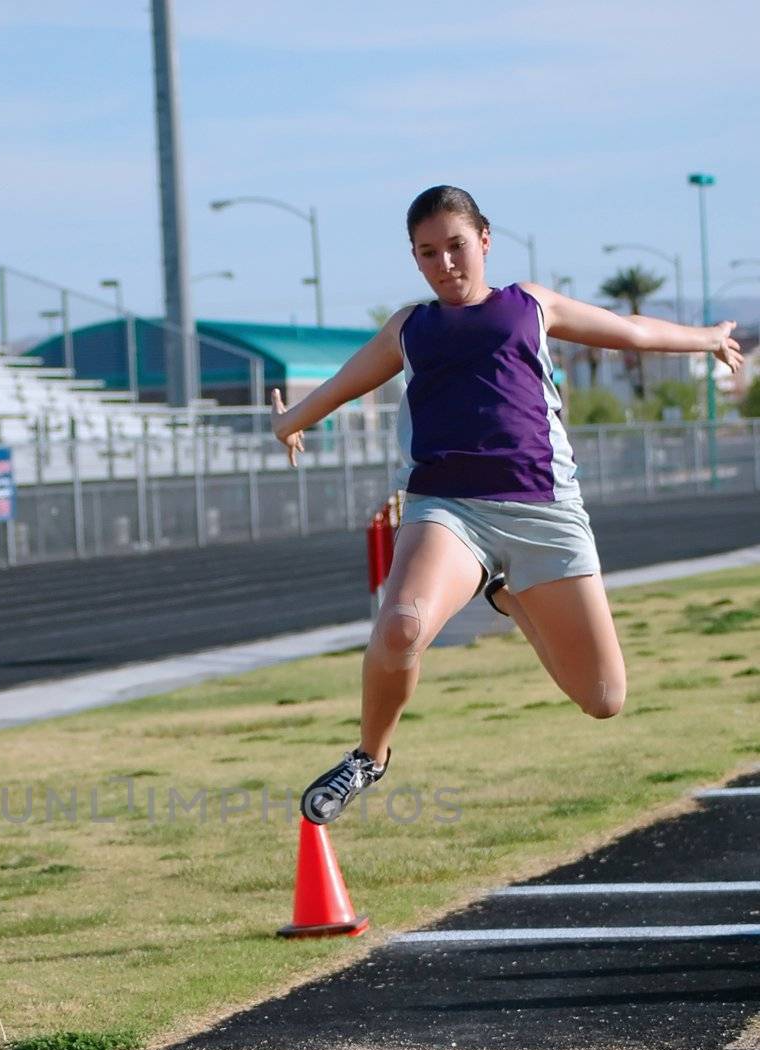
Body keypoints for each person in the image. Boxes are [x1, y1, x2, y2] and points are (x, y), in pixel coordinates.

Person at [272, 183, 743, 824]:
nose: (445, 264)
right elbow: (343, 383)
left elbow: (632, 331)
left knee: (603, 698)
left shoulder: (530, 305)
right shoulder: (410, 329)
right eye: (428, 252)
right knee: (401, 624)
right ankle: (369, 756)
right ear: (415, 259)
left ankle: (505, 594)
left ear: (485, 241)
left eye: (457, 247)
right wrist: (291, 420)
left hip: (546, 512)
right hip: (448, 509)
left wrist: (708, 337)